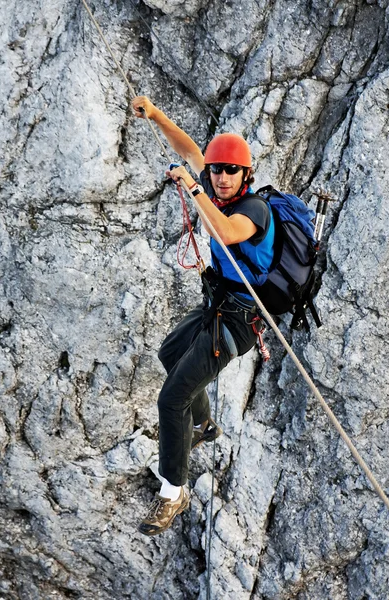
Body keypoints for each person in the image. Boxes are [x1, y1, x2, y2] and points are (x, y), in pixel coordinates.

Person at [132, 96, 275, 536]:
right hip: (217, 304)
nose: (221, 175)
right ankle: (204, 424)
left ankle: (172, 493)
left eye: (231, 170)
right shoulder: (212, 183)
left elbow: (227, 232)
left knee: (170, 397)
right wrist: (156, 115)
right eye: (217, 170)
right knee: (170, 353)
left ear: (246, 176)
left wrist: (194, 189)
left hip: (237, 321)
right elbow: (191, 150)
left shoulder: (254, 210)